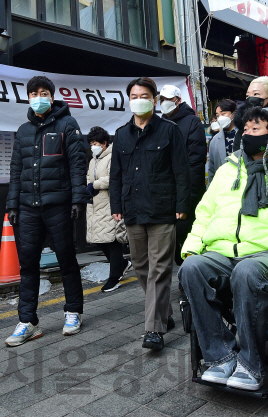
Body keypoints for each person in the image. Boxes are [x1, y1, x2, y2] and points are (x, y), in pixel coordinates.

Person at [178, 105, 268, 391]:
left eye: (256, 129)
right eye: (245, 129)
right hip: (222, 251)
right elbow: (205, 213)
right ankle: (220, 356)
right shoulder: (228, 170)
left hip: (264, 253)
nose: (247, 134)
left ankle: (250, 362)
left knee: (246, 271)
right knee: (191, 268)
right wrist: (192, 248)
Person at [5, 75, 91, 346]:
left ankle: (73, 311)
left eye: (43, 93)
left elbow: (78, 164)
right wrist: (12, 204)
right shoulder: (23, 131)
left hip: (59, 205)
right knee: (28, 264)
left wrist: (78, 200)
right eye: (33, 94)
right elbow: (16, 170)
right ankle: (27, 320)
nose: (38, 98)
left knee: (66, 260)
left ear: (52, 97)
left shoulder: (68, 125)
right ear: (28, 98)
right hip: (28, 208)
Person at [110, 77, 190, 351]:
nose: (139, 99)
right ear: (128, 100)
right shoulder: (121, 134)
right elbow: (116, 174)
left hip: (162, 209)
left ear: (155, 100)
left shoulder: (169, 130)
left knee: (159, 268)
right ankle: (164, 314)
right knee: (141, 268)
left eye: (144, 95)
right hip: (132, 209)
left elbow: (181, 170)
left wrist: (182, 204)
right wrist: (116, 206)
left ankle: (153, 330)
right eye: (134, 95)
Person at [159, 85, 207, 266]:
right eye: (161, 99)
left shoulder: (192, 122)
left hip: (186, 192)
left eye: (167, 99)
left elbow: (196, 162)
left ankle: (189, 278)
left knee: (186, 236)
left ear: (178, 100)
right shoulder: (159, 123)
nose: (163, 103)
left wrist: (189, 197)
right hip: (165, 192)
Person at [85, 126, 132, 292]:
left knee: (112, 241)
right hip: (96, 205)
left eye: (95, 143)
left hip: (109, 204)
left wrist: (94, 185)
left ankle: (115, 277)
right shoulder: (93, 160)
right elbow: (89, 178)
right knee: (99, 240)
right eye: (91, 143)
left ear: (104, 143)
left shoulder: (112, 156)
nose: (93, 146)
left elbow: (114, 177)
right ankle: (122, 264)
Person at [208, 99, 238, 185]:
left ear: (234, 113)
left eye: (223, 113)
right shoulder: (215, 140)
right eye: (217, 115)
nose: (220, 118)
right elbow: (212, 169)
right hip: (223, 185)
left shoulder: (245, 135)